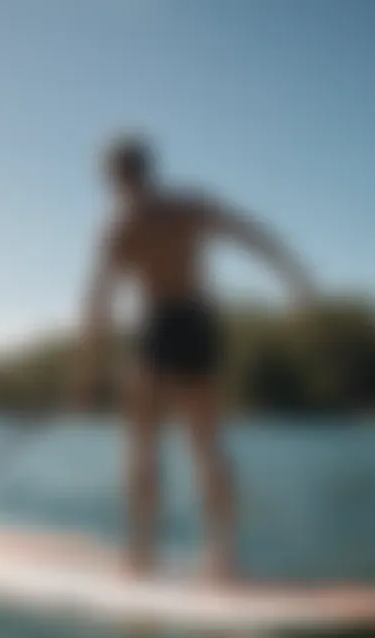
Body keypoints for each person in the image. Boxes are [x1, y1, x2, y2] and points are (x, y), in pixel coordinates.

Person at [75, 134, 316, 581]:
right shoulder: (190, 207)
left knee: (142, 446)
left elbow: (99, 302)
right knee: (206, 446)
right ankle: (221, 557)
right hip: (195, 323)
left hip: (158, 326)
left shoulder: (118, 226)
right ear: (149, 168)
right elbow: (256, 236)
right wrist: (295, 276)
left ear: (112, 177)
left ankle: (141, 555)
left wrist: (89, 370)